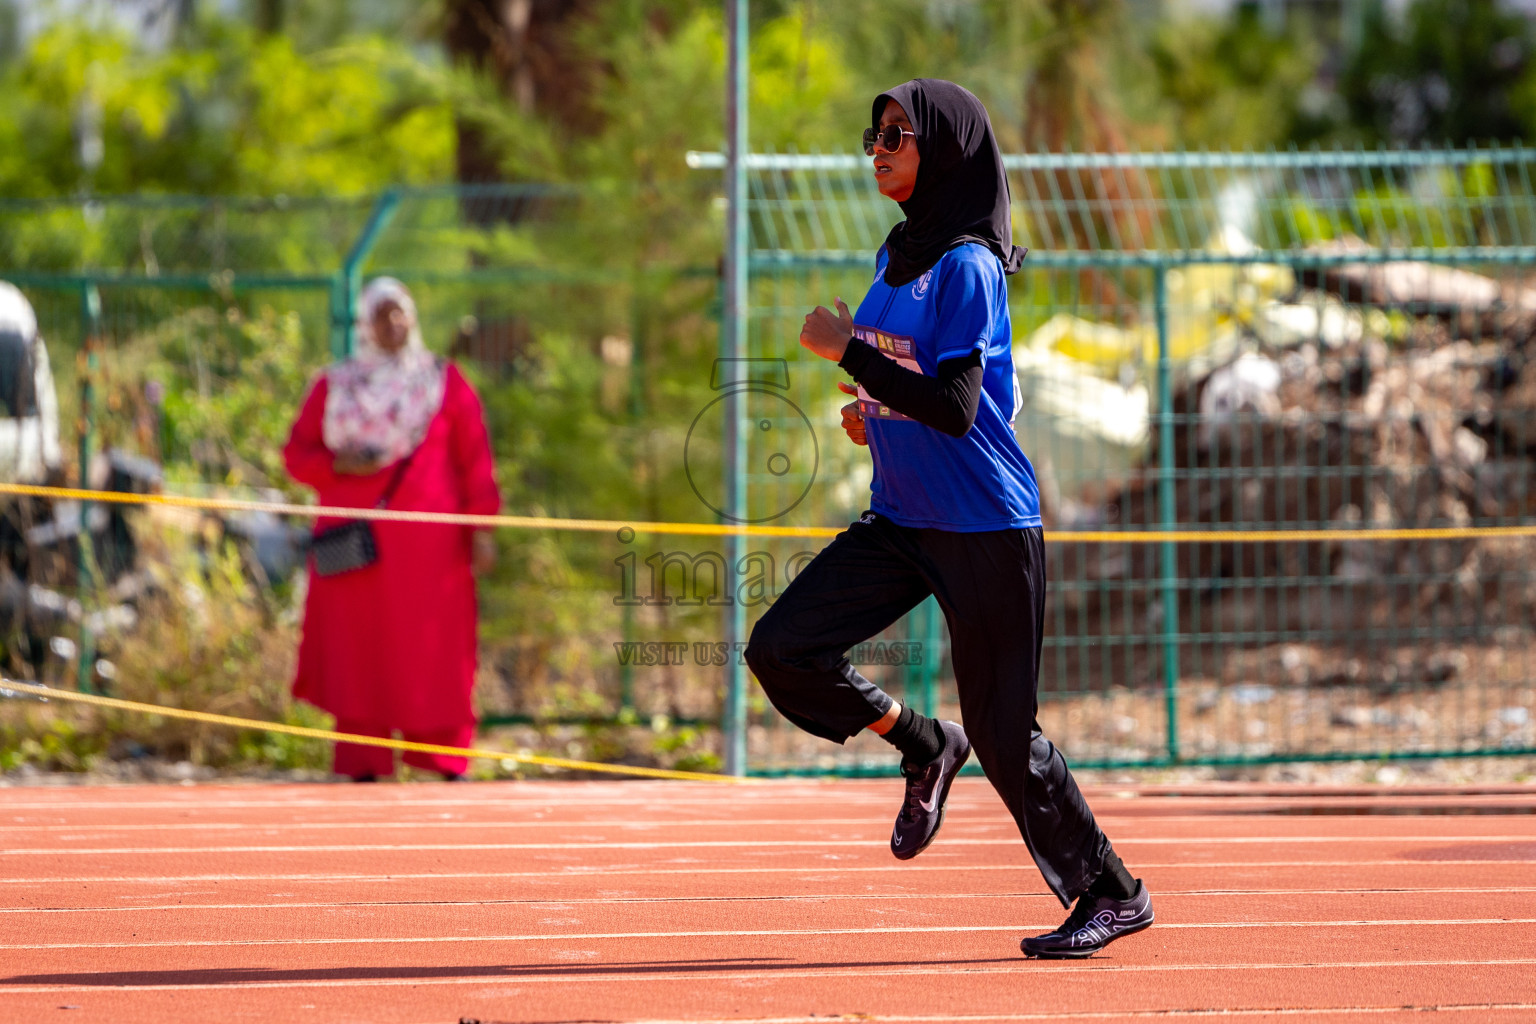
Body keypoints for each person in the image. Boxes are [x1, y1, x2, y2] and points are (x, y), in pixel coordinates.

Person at [744, 79, 1153, 958]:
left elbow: (961, 408)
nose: (881, 149)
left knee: (1010, 738)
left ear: (948, 150)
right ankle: (927, 743)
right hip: (900, 518)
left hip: (984, 527)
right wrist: (869, 412)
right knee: (780, 648)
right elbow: (909, 389)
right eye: (875, 136)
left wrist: (846, 350)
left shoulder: (966, 264)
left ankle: (1112, 892)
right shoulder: (896, 256)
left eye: (900, 135)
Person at [284, 277, 500, 782]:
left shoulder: (443, 382)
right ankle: (364, 761)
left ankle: (443, 757)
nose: (393, 324)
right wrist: (340, 465)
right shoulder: (335, 387)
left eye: (399, 312)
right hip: (357, 550)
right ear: (364, 323)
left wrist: (483, 529)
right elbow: (296, 456)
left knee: (435, 651)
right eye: (381, 314)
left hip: (433, 552)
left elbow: (474, 458)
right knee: (358, 651)